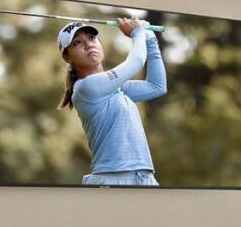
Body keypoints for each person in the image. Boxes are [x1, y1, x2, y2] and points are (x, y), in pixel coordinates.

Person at [60, 15, 167, 186]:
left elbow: (157, 86)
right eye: (77, 43)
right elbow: (136, 61)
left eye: (92, 38)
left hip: (144, 178)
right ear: (68, 57)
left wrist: (150, 37)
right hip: (112, 179)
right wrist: (138, 32)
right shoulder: (86, 87)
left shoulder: (117, 87)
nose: (88, 44)